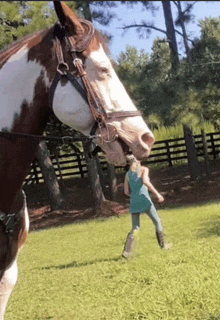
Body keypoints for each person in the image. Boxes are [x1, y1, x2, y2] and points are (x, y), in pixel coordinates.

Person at [122, 155, 172, 258]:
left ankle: (127, 251)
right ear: (138, 161)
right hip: (145, 200)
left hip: (134, 202)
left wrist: (134, 196)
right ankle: (163, 245)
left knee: (135, 227)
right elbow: (145, 182)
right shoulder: (143, 169)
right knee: (157, 221)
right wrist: (157, 194)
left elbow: (126, 191)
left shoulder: (127, 174)